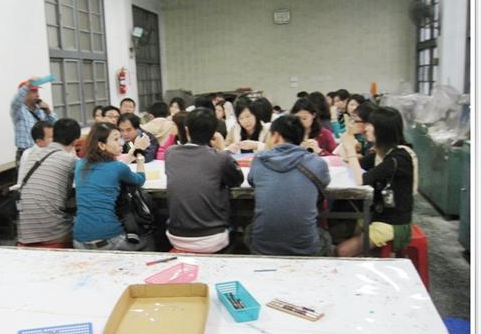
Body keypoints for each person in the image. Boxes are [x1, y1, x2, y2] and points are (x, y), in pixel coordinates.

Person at [336, 106, 416, 257]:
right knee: (337, 234)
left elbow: (361, 180)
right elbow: (352, 165)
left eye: (371, 125)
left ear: (383, 130)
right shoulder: (380, 153)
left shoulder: (399, 158)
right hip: (376, 214)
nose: (366, 128)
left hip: (394, 222)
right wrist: (349, 147)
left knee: (342, 250)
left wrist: (351, 150)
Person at [247, 114, 331, 256]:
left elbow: (252, 180)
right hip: (306, 249)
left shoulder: (259, 160)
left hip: (263, 248)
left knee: (249, 229)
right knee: (325, 236)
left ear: (276, 136)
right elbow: (324, 181)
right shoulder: (317, 163)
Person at [164, 108, 244, 253]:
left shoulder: (170, 153)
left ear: (187, 129)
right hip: (213, 239)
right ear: (214, 133)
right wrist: (222, 149)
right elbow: (237, 181)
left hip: (176, 236)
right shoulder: (220, 158)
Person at [73, 123, 150, 251]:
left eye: (120, 138)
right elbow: (140, 180)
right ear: (102, 145)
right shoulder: (117, 168)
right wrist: (140, 155)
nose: (121, 142)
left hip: (79, 240)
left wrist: (133, 151)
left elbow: (114, 169)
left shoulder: (80, 164)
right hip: (109, 239)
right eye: (115, 139)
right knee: (149, 239)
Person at [17, 118, 81, 249]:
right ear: (75, 141)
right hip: (53, 235)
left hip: (25, 233)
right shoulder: (70, 159)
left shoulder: (32, 154)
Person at [10, 78, 57, 166]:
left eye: (37, 91)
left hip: (42, 151)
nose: (37, 94)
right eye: (33, 91)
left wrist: (48, 111)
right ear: (24, 94)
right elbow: (15, 102)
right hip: (26, 152)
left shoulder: (41, 110)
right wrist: (27, 85)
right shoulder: (18, 111)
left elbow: (56, 126)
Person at [16, 120, 54, 185]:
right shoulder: (29, 154)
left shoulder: (26, 153)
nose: (56, 139)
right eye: (51, 137)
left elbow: (20, 181)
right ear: (39, 141)